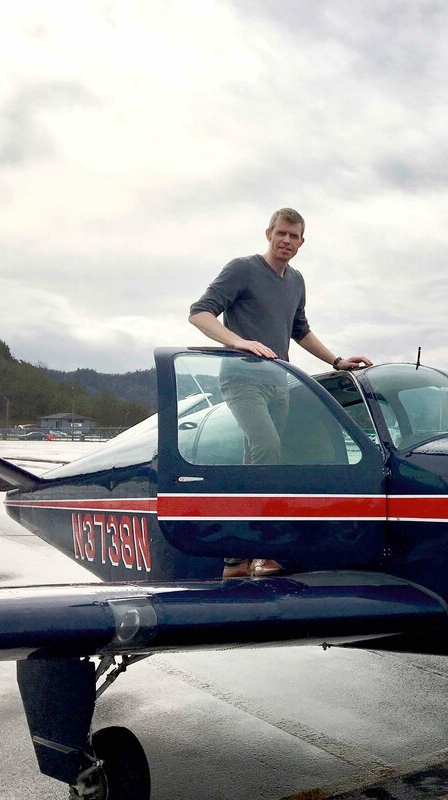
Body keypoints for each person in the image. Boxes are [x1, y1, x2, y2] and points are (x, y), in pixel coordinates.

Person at [189, 208, 372, 579]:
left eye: (294, 236)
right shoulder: (242, 269)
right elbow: (199, 313)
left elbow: (299, 330)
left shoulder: (297, 281)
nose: (287, 241)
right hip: (242, 379)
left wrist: (336, 360)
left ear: (302, 242)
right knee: (267, 448)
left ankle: (236, 557)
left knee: (265, 461)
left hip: (279, 382)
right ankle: (265, 545)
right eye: (281, 234)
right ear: (268, 233)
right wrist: (239, 342)